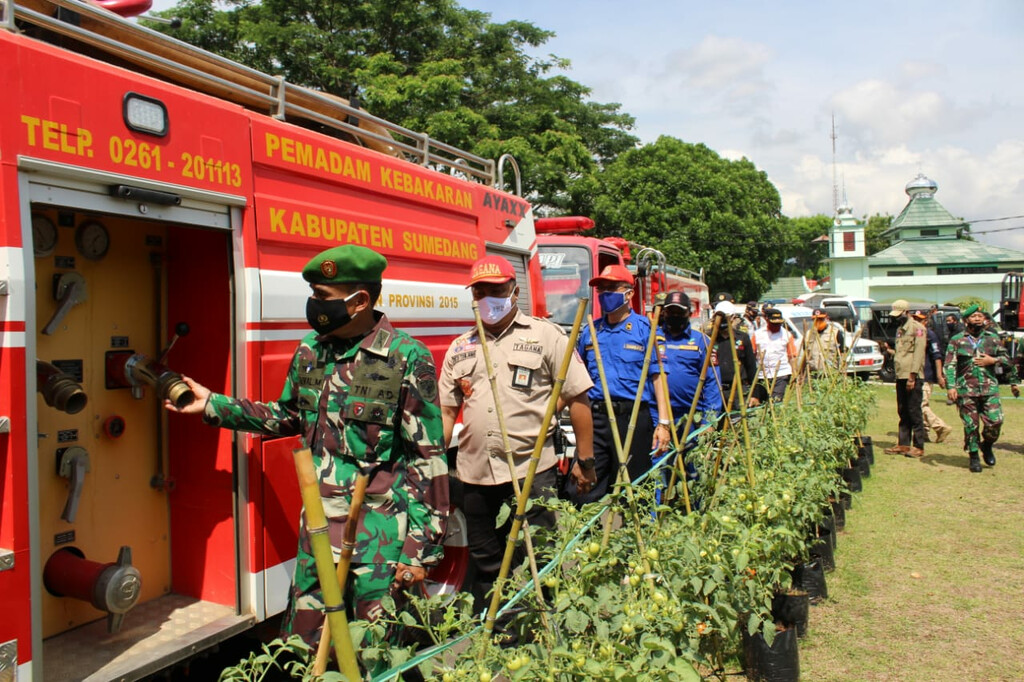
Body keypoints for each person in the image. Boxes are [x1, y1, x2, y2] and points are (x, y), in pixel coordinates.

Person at [165, 245, 449, 648]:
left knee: (375, 653)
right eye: (313, 294)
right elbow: (287, 416)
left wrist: (419, 552)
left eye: (322, 295)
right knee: (303, 646)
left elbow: (428, 459)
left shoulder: (406, 357)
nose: (314, 304)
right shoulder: (311, 350)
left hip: (378, 544)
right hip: (317, 534)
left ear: (360, 301)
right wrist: (213, 404)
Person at [438, 255, 595, 608]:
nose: (487, 298)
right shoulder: (461, 347)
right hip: (476, 472)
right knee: (485, 559)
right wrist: (433, 466)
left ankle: (545, 619)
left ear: (514, 291)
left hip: (531, 469)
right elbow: (447, 412)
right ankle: (497, 626)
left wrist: (585, 461)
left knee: (541, 554)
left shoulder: (546, 336)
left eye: (496, 290)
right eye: (479, 291)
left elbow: (578, 398)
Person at [574, 264, 671, 505]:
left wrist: (664, 423)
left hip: (633, 419)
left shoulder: (646, 330)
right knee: (583, 489)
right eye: (601, 289)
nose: (605, 293)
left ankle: (637, 529)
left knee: (637, 492)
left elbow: (658, 378)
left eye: (611, 288)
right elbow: (576, 379)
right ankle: (587, 530)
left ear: (629, 293)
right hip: (597, 419)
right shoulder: (590, 331)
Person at [944, 304, 1020, 472]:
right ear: (966, 320)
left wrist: (993, 361)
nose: (978, 319)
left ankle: (987, 445)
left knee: (996, 421)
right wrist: (951, 387)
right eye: (974, 316)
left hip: (989, 389)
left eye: (980, 316)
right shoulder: (957, 340)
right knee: (971, 425)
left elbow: (1008, 360)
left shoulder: (992, 338)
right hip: (966, 390)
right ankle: (974, 456)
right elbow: (949, 365)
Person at [656, 291, 724, 442]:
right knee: (661, 456)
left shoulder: (702, 341)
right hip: (658, 415)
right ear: (664, 313)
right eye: (671, 311)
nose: (675, 315)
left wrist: (709, 421)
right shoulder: (653, 339)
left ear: (689, 313)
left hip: (692, 417)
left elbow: (712, 383)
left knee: (691, 456)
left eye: (679, 312)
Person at [883, 299, 927, 458]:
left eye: (899, 314)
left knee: (914, 410)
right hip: (900, 374)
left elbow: (919, 353)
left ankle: (919, 446)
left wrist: (912, 377)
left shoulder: (918, 328)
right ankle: (903, 444)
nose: (896, 317)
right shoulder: (900, 329)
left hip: (912, 375)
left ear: (907, 312)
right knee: (902, 410)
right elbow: (901, 353)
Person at [710, 301, 757, 409]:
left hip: (738, 390)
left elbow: (751, 367)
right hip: (716, 390)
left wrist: (754, 393)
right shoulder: (709, 339)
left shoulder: (742, 338)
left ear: (733, 318)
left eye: (725, 318)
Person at [914, 310, 952, 444]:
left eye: (920, 320)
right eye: (915, 319)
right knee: (921, 404)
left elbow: (937, 357)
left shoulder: (930, 335)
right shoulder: (915, 334)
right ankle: (923, 432)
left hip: (926, 375)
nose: (917, 322)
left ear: (925, 321)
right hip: (916, 374)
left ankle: (940, 427)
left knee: (920, 404)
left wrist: (939, 376)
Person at [749, 307, 797, 404]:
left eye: (779, 323)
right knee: (761, 403)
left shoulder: (787, 335)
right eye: (774, 323)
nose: (776, 326)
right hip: (762, 374)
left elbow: (792, 356)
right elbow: (751, 355)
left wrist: (795, 373)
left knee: (776, 401)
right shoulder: (757, 335)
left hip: (781, 373)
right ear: (766, 319)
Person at [804, 308, 845, 375]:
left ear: (827, 318)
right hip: (813, 374)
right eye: (816, 319)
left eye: (821, 319)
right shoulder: (808, 334)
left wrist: (842, 371)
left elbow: (842, 354)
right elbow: (805, 354)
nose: (818, 322)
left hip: (831, 373)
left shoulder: (835, 333)